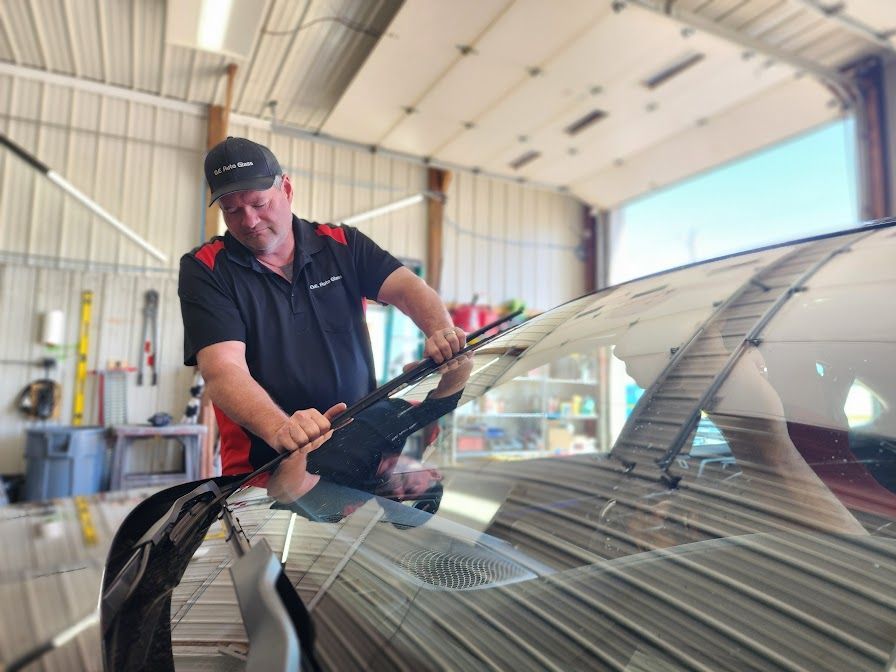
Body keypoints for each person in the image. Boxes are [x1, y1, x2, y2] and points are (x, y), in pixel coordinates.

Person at [178, 136, 465, 492]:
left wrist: (440, 332)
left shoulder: (341, 245)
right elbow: (223, 370)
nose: (249, 220)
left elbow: (410, 289)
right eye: (232, 210)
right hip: (266, 472)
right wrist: (282, 429)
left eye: (258, 203)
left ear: (286, 188)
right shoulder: (206, 269)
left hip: (358, 457)